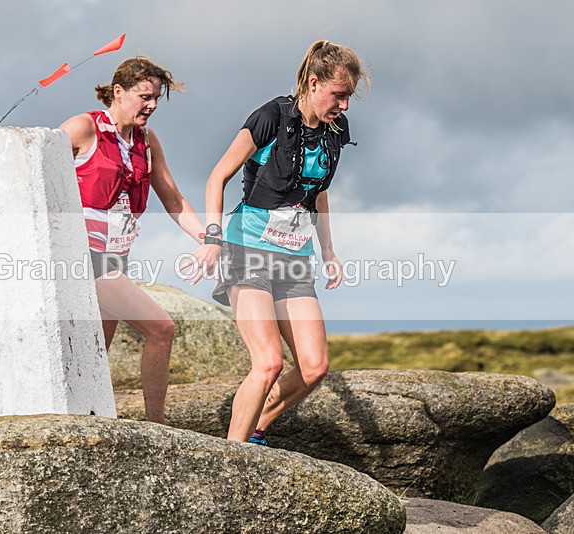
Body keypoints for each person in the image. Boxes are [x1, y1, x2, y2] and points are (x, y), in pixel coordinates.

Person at [193, 40, 370, 444]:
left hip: (294, 257)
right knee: (269, 361)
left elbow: (318, 192)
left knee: (314, 366)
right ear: (313, 83)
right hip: (247, 249)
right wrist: (212, 236)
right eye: (338, 95)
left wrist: (328, 251)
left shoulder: (335, 130)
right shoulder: (271, 117)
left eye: (348, 97)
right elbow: (216, 177)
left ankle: (256, 426)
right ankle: (231, 459)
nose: (344, 106)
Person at [59, 57, 218, 424]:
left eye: (156, 99)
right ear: (118, 91)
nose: (151, 106)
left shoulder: (146, 142)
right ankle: (157, 424)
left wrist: (209, 236)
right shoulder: (83, 128)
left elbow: (174, 199)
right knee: (162, 329)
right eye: (144, 96)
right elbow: (33, 169)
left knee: (94, 356)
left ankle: (76, 422)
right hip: (85, 260)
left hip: (116, 261)